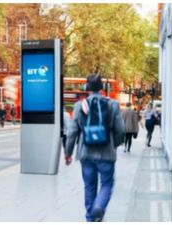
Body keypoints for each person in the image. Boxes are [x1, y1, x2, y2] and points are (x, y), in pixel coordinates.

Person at [64, 74, 125, 222]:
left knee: (89, 186)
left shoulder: (79, 105)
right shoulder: (113, 104)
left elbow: (72, 132)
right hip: (106, 154)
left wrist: (68, 153)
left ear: (87, 87)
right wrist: (114, 145)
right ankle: (99, 206)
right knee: (107, 184)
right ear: (102, 88)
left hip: (86, 154)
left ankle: (91, 217)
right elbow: (121, 130)